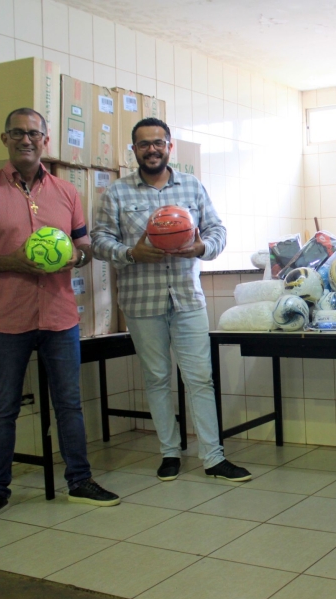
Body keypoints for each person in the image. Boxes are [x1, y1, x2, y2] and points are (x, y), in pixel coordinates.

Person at [0, 108, 120, 528]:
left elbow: (85, 249)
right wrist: (11, 261)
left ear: (45, 140)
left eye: (34, 134)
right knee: (3, 408)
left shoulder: (66, 192)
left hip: (60, 317)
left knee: (69, 404)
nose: (26, 140)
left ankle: (80, 481)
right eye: (17, 133)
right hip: (7, 319)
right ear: (5, 139)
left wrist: (74, 256)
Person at [91, 118, 251, 483]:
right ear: (134, 150)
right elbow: (99, 241)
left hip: (187, 299)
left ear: (169, 147)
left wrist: (202, 247)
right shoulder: (117, 193)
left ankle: (213, 457)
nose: (152, 149)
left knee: (200, 378)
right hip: (140, 301)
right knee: (157, 378)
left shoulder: (192, 186)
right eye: (143, 144)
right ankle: (169, 453)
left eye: (158, 143)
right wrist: (130, 253)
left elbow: (217, 230)